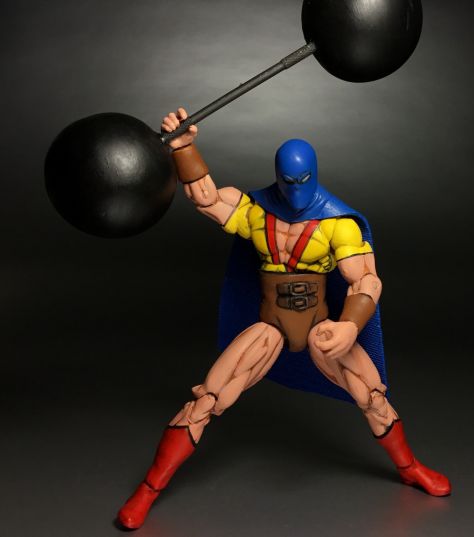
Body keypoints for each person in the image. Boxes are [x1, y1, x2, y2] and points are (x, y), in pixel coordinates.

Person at [117, 108, 451, 530]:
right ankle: (149, 489)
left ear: (314, 175)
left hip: (321, 330)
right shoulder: (257, 212)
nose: (294, 189)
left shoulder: (337, 223)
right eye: (288, 181)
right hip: (270, 328)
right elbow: (207, 199)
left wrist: (349, 325)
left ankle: (409, 467)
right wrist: (184, 148)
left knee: (372, 397)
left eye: (302, 180)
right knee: (208, 399)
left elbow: (367, 280)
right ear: (278, 176)